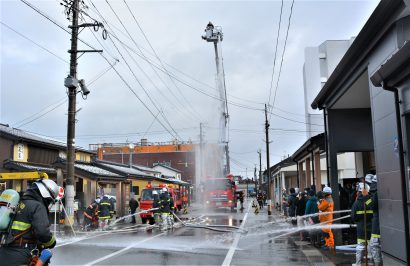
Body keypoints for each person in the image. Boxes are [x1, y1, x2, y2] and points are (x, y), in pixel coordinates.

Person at [0, 179, 64, 265]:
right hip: (21, 256)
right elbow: (43, 233)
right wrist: (52, 242)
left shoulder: (17, 203)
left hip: (3, 254)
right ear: (46, 196)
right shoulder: (37, 206)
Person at [351, 182, 373, 266]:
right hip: (371, 227)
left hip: (360, 228)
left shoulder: (356, 203)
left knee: (360, 246)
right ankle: (371, 262)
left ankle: (358, 263)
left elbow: (353, 217)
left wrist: (357, 221)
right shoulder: (370, 201)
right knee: (371, 246)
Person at [369, 175, 382, 266]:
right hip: (381, 225)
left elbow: (371, 205)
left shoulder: (375, 193)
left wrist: (367, 198)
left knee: (374, 246)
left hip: (376, 227)